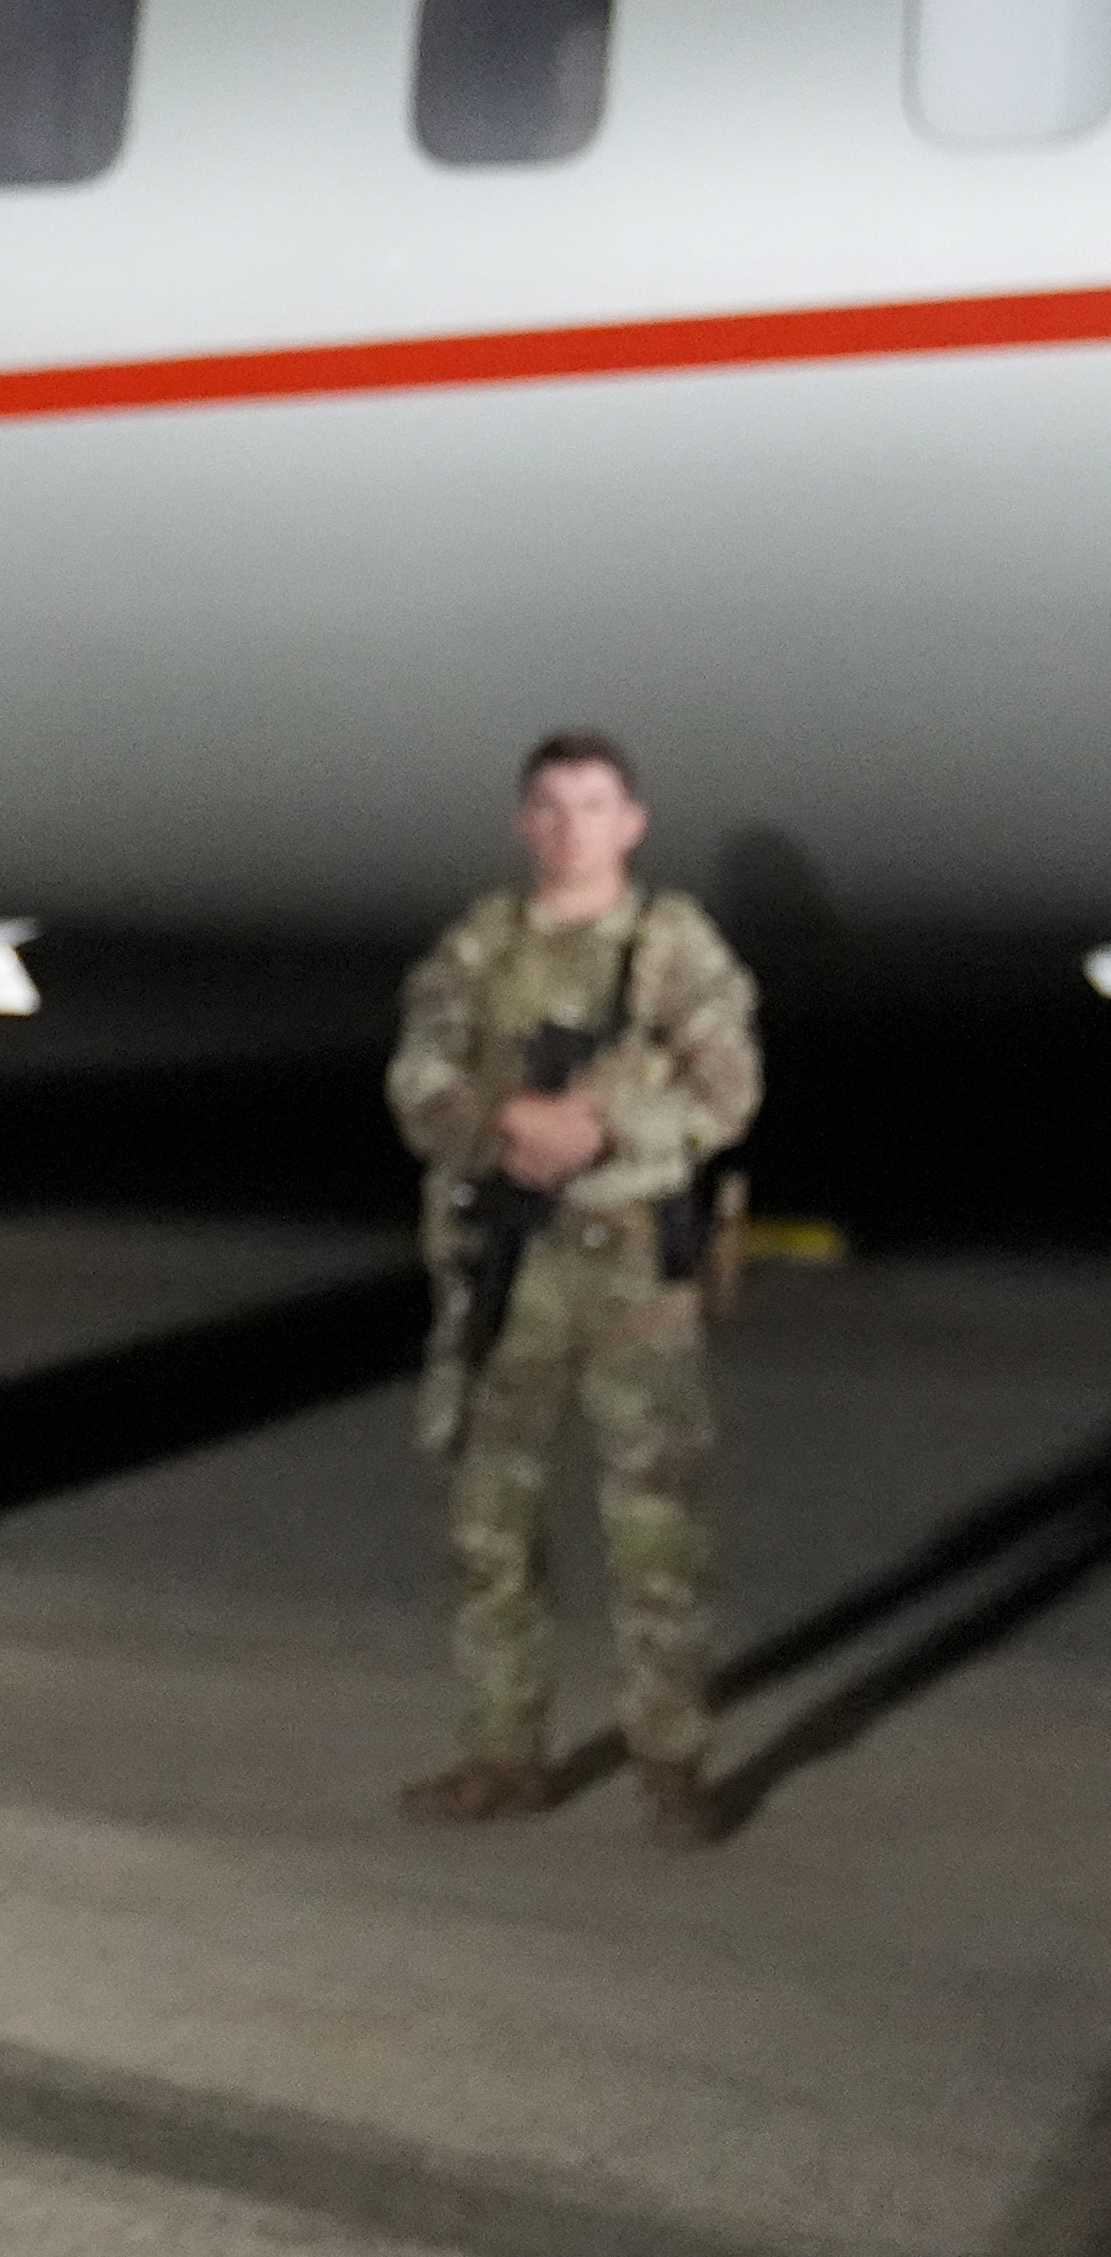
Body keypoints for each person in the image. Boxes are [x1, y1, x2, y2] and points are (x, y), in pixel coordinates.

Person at [384, 731, 763, 1846]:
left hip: (631, 1270)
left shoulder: (669, 943)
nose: (567, 826)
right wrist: (508, 1121)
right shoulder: (479, 944)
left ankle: (670, 1763)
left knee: (654, 1532)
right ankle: (501, 1755)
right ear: (521, 822)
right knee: (488, 1526)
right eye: (546, 806)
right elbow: (417, 1078)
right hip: (507, 1266)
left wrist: (597, 1123)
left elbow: (725, 1089)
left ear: (629, 822)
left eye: (591, 805)